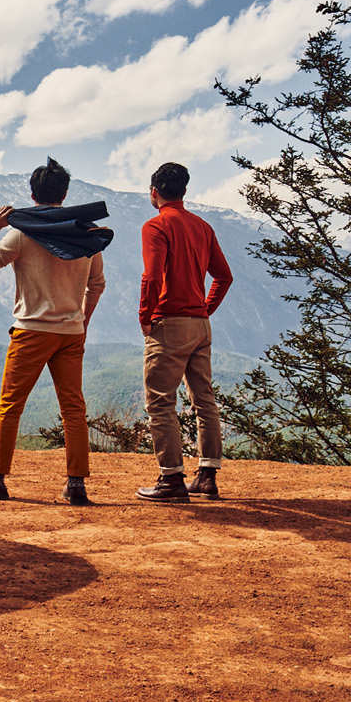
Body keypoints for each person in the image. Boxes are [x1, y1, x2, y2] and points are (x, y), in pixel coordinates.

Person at [0, 158, 110, 505]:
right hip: (71, 332)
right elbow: (97, 285)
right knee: (73, 409)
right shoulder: (85, 234)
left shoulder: (22, 234)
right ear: (65, 194)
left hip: (31, 331)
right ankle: (76, 484)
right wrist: (83, 321)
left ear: (32, 196)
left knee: (10, 406)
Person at [136, 162, 233, 503]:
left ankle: (171, 480)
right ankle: (206, 477)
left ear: (154, 192)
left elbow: (152, 276)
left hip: (170, 323)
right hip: (200, 325)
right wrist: (204, 308)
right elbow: (224, 276)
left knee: (160, 402)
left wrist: (145, 316)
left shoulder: (156, 226)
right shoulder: (203, 227)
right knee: (204, 401)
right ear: (185, 191)